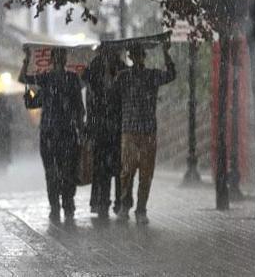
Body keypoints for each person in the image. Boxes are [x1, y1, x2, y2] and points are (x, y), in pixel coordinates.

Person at [18, 48, 84, 222]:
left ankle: (64, 204)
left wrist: (80, 127)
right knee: (55, 171)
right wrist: (27, 59)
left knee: (64, 171)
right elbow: (24, 81)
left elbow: (78, 107)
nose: (61, 59)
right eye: (59, 56)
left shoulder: (68, 79)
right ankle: (58, 205)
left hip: (62, 132)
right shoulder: (48, 79)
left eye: (62, 56)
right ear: (55, 59)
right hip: (52, 133)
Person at [116, 42, 176, 224]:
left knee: (145, 173)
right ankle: (125, 206)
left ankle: (141, 209)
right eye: (134, 55)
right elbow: (110, 89)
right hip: (130, 130)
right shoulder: (123, 77)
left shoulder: (151, 75)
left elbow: (171, 75)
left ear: (143, 56)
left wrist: (166, 53)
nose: (137, 58)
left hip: (147, 130)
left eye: (140, 55)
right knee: (127, 171)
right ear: (131, 57)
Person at [82, 45, 130, 219]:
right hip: (100, 128)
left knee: (118, 168)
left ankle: (119, 202)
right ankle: (102, 202)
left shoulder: (122, 69)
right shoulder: (94, 69)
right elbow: (87, 87)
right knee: (101, 168)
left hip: (117, 127)